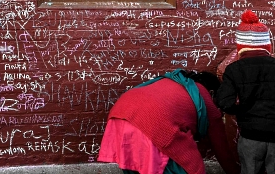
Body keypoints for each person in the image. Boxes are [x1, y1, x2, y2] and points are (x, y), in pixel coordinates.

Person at [98, 69, 240, 174]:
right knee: (193, 168)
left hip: (120, 115)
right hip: (152, 122)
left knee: (135, 167)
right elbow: (221, 149)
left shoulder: (172, 81)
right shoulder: (205, 97)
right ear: (212, 93)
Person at [215, 10, 275, 174]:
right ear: (266, 45)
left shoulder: (234, 69)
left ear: (241, 46)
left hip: (250, 136)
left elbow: (224, 102)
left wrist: (242, 111)